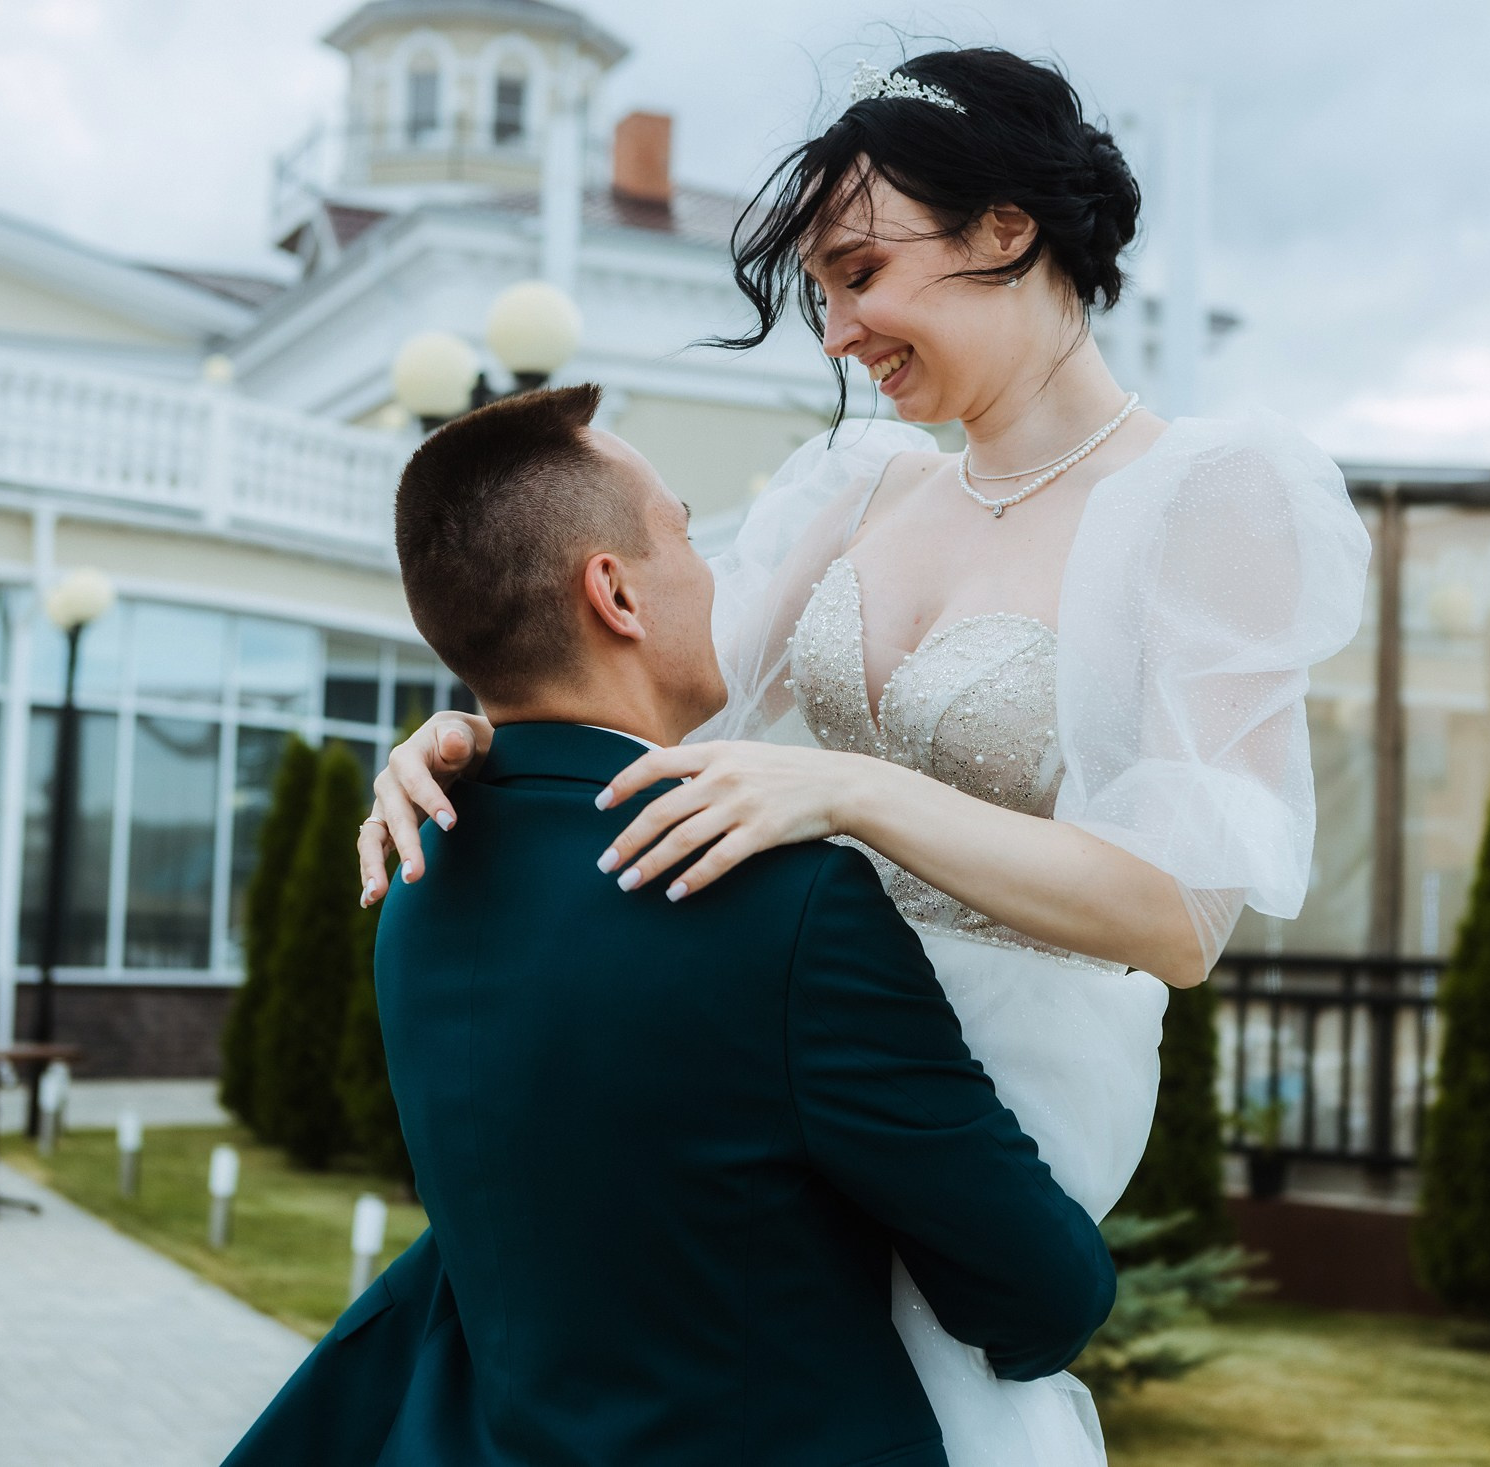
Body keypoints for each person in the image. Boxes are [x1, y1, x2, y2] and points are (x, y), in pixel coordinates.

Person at [359, 48, 1371, 1464]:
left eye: (859, 273)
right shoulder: (855, 487)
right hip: (754, 1052)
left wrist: (858, 791)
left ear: (1005, 231)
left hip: (997, 1092)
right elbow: (659, 702)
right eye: (820, 295)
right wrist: (470, 732)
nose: (835, 330)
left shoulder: (1206, 499)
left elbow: (1182, 918)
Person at [225, 384, 1114, 1467]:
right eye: (689, 535)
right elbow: (1041, 1293)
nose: (714, 575)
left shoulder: (419, 870)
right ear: (615, 594)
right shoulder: (783, 906)